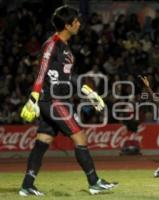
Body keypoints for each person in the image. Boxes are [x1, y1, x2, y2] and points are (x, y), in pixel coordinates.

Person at [19, 6, 117, 196]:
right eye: (76, 21)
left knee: (43, 141)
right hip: (54, 100)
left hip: (56, 100)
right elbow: (41, 71)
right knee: (80, 137)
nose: (79, 24)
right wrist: (34, 97)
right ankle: (94, 182)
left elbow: (70, 76)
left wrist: (89, 93)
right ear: (67, 24)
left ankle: (27, 185)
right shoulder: (52, 44)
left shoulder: (65, 48)